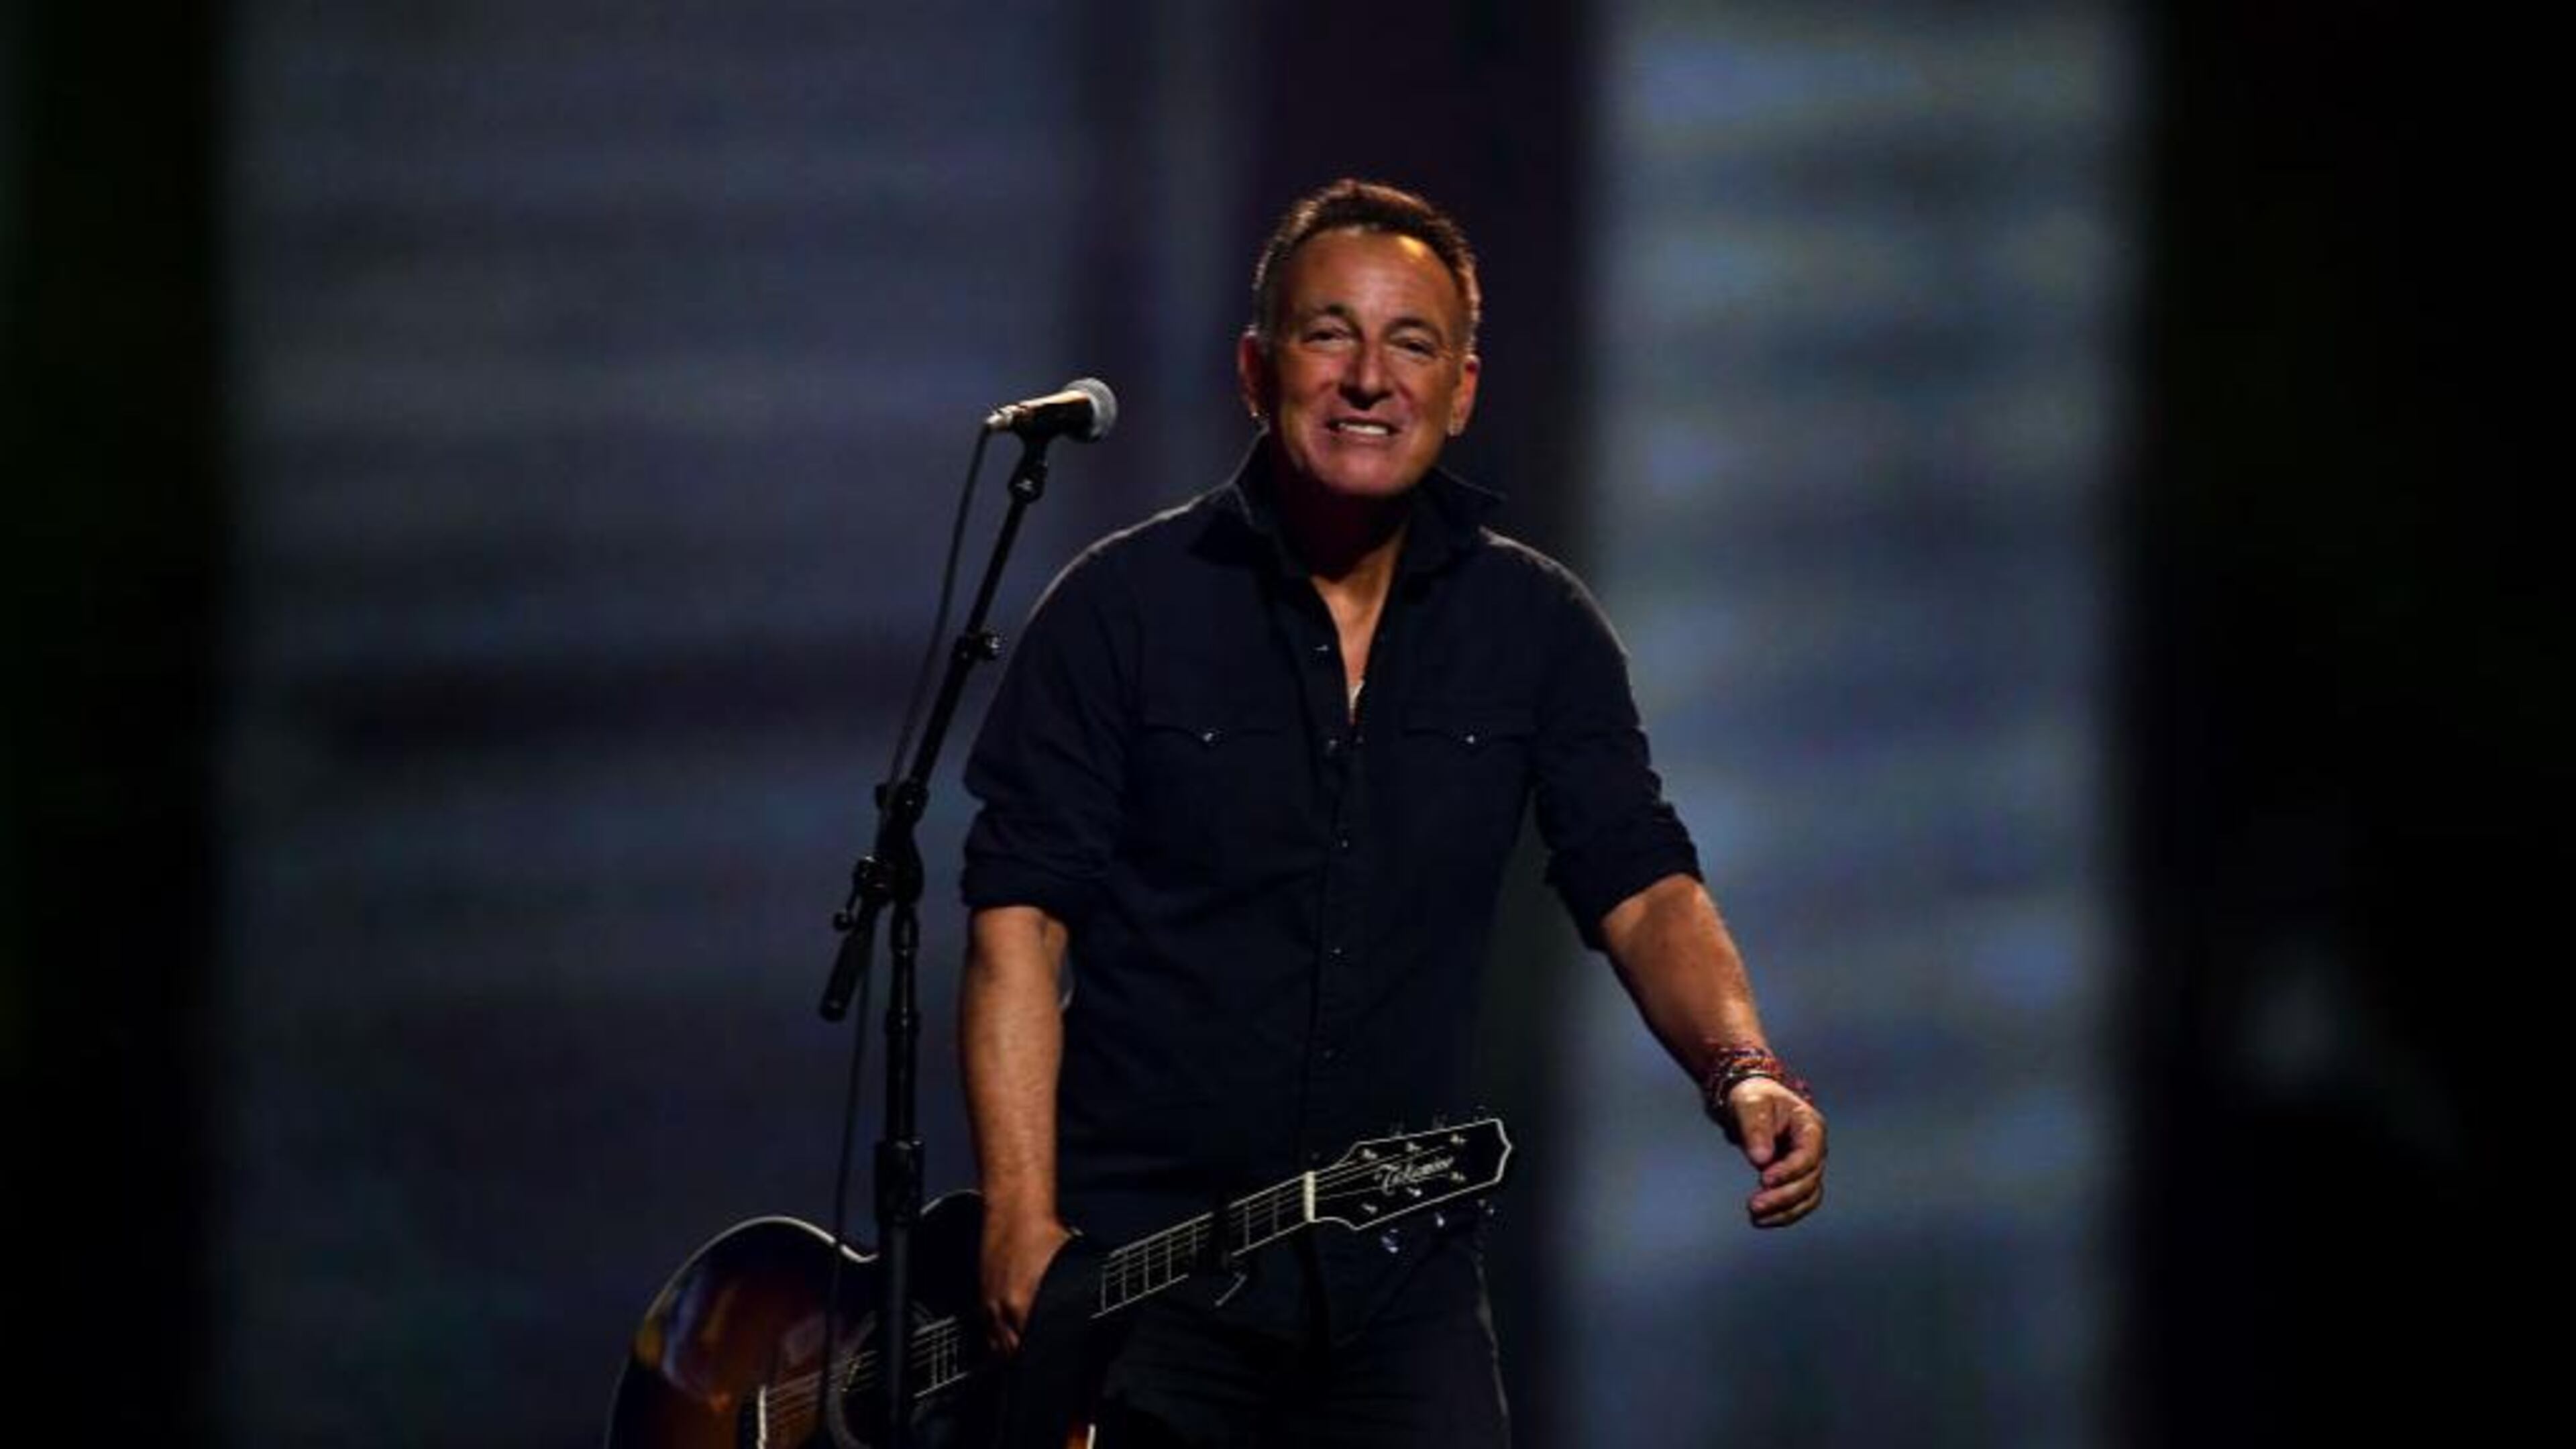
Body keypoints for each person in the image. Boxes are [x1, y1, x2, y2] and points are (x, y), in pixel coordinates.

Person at [958, 178, 1825, 1447]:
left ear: (1460, 392)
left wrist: (1741, 1069)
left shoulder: (1535, 628)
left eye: (1411, 344)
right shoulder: (1121, 609)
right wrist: (1019, 1213)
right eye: (1330, 335)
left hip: (1400, 1280)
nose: (1369, 378)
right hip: (1146, 1283)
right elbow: (1020, 925)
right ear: (1257, 370)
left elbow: (1641, 884)